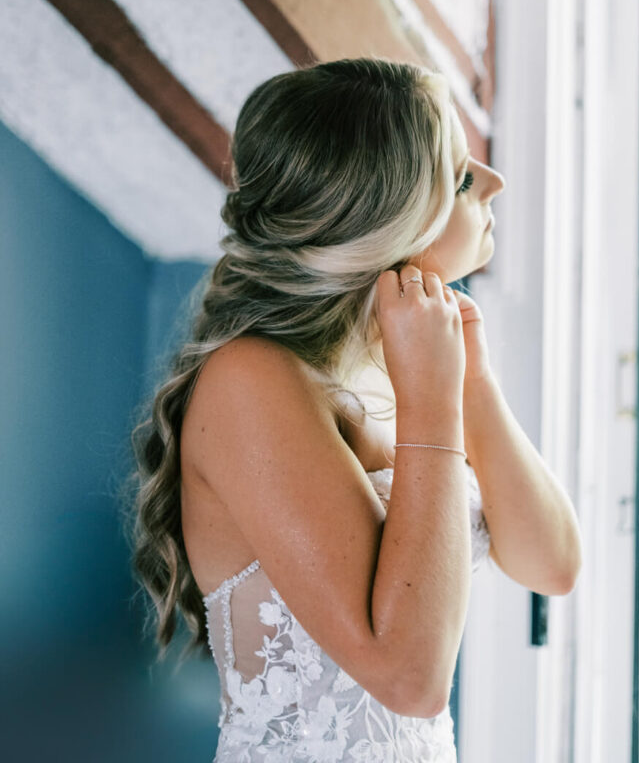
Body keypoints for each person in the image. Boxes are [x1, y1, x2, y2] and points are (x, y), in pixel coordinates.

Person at [126, 56, 506, 761]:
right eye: (460, 177)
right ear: (391, 224)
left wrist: (459, 383)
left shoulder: (391, 368)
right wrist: (432, 404)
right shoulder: (252, 382)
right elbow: (410, 679)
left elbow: (556, 565)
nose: (495, 182)